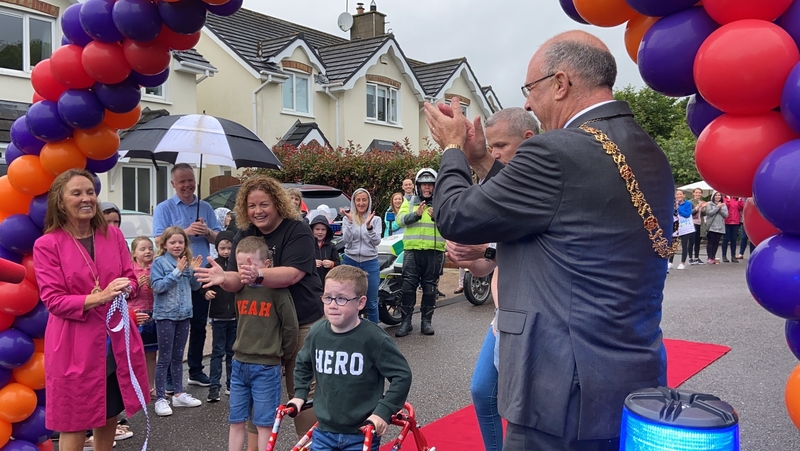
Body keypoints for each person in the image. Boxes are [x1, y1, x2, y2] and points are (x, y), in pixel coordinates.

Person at [425, 31, 674, 450]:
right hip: (627, 373)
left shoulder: (555, 150)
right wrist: (482, 159)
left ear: (560, 84)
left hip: (560, 387)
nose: (526, 103)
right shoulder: (645, 149)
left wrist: (451, 149)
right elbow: (555, 212)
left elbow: (456, 217)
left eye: (531, 89)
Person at [194, 175, 324, 440]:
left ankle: (312, 445)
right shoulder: (245, 234)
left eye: (263, 204)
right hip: (262, 326)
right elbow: (236, 278)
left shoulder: (296, 230)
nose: (258, 211)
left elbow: (293, 274)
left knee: (303, 392)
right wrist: (224, 279)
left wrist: (258, 275)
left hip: (301, 321)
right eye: (252, 206)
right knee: (258, 396)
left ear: (277, 203)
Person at [33, 169, 149, 451]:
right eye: (77, 193)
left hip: (115, 340)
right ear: (60, 202)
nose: (86, 198)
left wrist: (127, 288)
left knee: (109, 413)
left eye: (90, 192)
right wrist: (99, 297)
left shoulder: (113, 235)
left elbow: (130, 278)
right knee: (74, 421)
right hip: (74, 344)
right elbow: (54, 300)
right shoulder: (47, 244)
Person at [446, 106, 539, 451]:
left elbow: (524, 252)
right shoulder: (500, 193)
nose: (493, 154)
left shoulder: (539, 189)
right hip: (502, 316)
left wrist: (483, 251)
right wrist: (469, 257)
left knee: (522, 406)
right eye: (490, 145)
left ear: (528, 141)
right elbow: (488, 266)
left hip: (533, 320)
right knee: (482, 391)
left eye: (500, 145)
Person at [288, 265, 412, 451]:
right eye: (328, 297)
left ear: (360, 303)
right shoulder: (317, 333)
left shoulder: (373, 338)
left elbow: (402, 375)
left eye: (341, 299)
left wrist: (383, 411)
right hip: (324, 429)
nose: (332, 304)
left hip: (361, 431)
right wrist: (300, 395)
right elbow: (303, 363)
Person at [226, 236, 299, 451]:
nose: (245, 270)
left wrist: (282, 356)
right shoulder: (239, 290)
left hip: (267, 366)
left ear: (266, 265)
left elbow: (290, 328)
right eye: (241, 266)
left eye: (251, 265)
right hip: (239, 362)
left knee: (265, 423)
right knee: (236, 420)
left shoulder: (278, 291)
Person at [153, 163, 222, 387]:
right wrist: (187, 232)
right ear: (173, 184)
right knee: (175, 324)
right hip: (175, 274)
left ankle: (195, 370)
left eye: (190, 180)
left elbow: (220, 240)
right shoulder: (164, 208)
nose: (187, 185)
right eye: (182, 181)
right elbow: (157, 240)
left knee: (200, 324)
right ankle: (172, 377)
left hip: (201, 272)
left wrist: (207, 232)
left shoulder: (206, 207)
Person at [150, 226, 204, 416]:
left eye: (180, 242)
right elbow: (157, 287)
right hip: (166, 315)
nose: (177, 245)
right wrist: (176, 273)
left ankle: (179, 393)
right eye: (172, 242)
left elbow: (195, 288)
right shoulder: (159, 263)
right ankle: (161, 397)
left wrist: (195, 272)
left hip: (184, 314)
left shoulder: (187, 262)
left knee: (178, 356)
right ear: (164, 244)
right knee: (164, 357)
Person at [394, 168, 446, 337]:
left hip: (434, 252)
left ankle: (426, 322)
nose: (427, 188)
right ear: (418, 186)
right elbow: (400, 220)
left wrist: (437, 217)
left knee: (430, 288)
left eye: (430, 184)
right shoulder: (409, 201)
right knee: (408, 288)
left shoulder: (442, 202)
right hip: (412, 251)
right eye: (424, 184)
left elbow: (451, 223)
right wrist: (415, 214)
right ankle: (406, 322)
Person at [339, 188, 382, 324]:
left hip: (370, 262)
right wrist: (351, 222)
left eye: (364, 200)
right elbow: (346, 240)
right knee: (348, 300)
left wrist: (369, 227)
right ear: (354, 202)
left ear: (368, 201)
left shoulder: (376, 219)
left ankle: (374, 335)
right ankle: (348, 330)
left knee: (371, 303)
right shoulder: (348, 218)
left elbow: (376, 242)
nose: (361, 203)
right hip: (350, 261)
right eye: (358, 200)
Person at [205, 231, 238, 403]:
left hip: (234, 316)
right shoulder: (213, 265)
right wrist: (207, 292)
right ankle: (214, 386)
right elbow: (204, 285)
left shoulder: (235, 266)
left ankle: (231, 384)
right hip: (218, 317)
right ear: (216, 248)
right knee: (217, 352)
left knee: (232, 352)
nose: (225, 251)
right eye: (222, 248)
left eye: (229, 248)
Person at [129, 236, 157, 397]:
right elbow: (123, 296)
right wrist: (136, 287)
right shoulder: (129, 270)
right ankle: (134, 387)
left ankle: (150, 386)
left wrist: (151, 286)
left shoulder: (156, 268)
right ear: (134, 253)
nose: (147, 251)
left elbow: (161, 292)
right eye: (142, 249)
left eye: (149, 248)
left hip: (153, 314)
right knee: (134, 353)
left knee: (151, 353)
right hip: (135, 315)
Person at [668, 190, 695, 270]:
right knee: (673, 244)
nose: (678, 196)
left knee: (684, 244)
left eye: (680, 194)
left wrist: (678, 208)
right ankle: (670, 262)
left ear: (684, 195)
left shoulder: (688, 204)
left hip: (685, 226)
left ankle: (682, 262)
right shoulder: (673, 203)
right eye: (677, 194)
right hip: (675, 226)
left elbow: (687, 214)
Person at [310, 215, 340, 284]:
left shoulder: (331, 246)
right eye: (317, 229)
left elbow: (338, 263)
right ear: (311, 230)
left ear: (327, 231)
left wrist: (332, 264)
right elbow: (300, 263)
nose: (320, 232)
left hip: (328, 282)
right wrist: (312, 264)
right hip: (311, 283)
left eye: (323, 229)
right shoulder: (307, 245)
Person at [705, 192, 728, 264]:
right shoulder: (709, 204)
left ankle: (713, 257)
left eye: (719, 195)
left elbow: (726, 215)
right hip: (711, 226)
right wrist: (717, 207)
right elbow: (709, 213)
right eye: (716, 195)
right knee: (710, 242)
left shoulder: (724, 205)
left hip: (720, 226)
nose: (718, 197)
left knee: (716, 243)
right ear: (713, 196)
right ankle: (709, 257)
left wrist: (720, 208)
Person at [721, 195, 744, 262]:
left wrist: (740, 201)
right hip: (727, 221)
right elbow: (725, 207)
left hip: (735, 222)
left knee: (734, 240)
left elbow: (742, 207)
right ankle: (724, 256)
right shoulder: (724, 198)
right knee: (725, 239)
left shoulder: (737, 199)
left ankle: (733, 256)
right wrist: (728, 200)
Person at [689, 188, 706, 265]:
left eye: (699, 193)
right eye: (696, 192)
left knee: (697, 241)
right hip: (692, 223)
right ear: (693, 193)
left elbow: (705, 213)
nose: (698, 194)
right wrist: (698, 206)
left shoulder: (702, 202)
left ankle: (696, 257)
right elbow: (691, 212)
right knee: (691, 241)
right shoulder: (690, 202)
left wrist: (703, 208)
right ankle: (690, 258)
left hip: (700, 223)